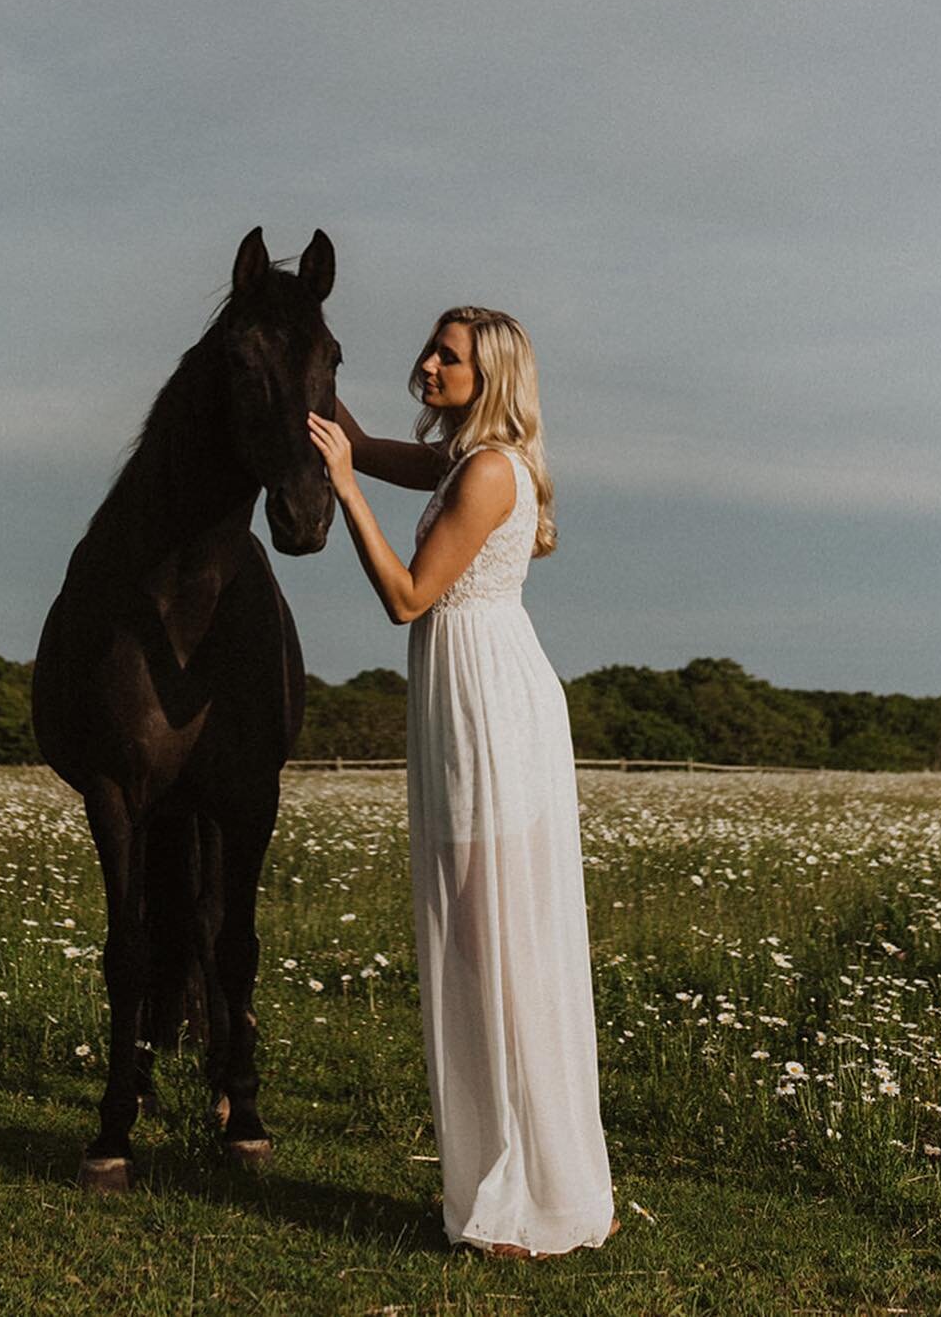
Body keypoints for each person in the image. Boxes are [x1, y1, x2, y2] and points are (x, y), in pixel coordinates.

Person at [307, 307, 618, 1259]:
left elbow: (407, 594)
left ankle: (530, 1197)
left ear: (491, 378)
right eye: (434, 347)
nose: (431, 362)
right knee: (482, 944)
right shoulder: (457, 461)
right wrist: (303, 368)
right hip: (462, 699)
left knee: (499, 947)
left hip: (489, 709)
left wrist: (346, 491)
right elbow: (357, 439)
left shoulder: (485, 471)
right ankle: (510, 1177)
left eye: (452, 356)